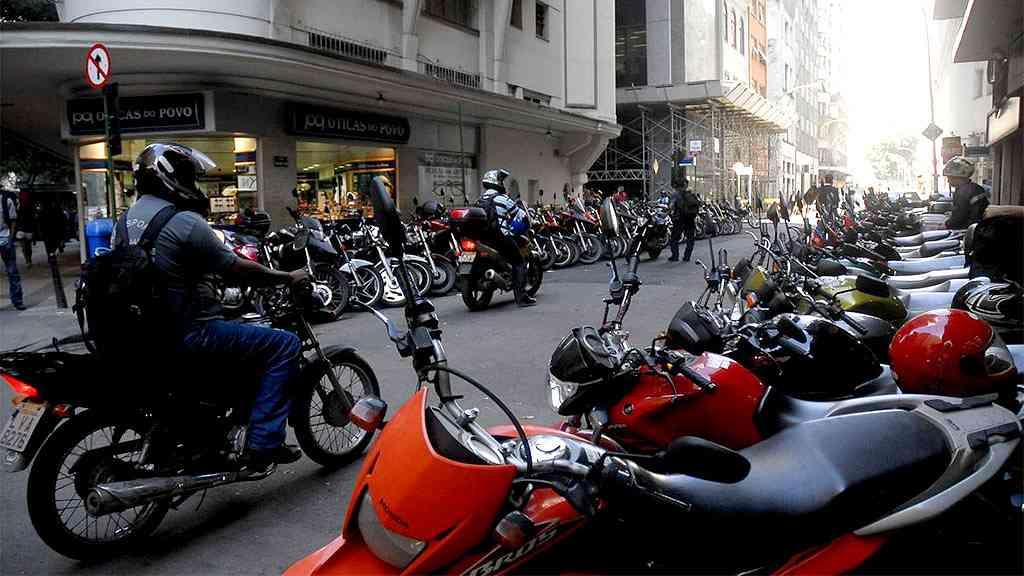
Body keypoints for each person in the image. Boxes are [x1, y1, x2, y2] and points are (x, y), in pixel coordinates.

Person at [124, 143, 309, 473]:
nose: (193, 185)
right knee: (285, 344)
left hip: (146, 333)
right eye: (188, 177)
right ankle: (263, 444)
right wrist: (286, 277)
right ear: (171, 178)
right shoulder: (184, 221)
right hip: (192, 332)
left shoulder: (125, 221)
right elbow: (236, 268)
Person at [477, 168, 535, 307]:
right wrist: (529, 215)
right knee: (519, 262)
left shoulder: (480, 200)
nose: (502, 183)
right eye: (501, 181)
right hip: (500, 238)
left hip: (483, 239)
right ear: (496, 183)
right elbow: (519, 214)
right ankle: (521, 297)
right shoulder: (502, 199)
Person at [942, 156, 988, 229]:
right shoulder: (976, 188)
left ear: (958, 177)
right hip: (979, 228)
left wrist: (946, 224)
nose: (948, 181)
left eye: (949, 178)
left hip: (967, 229)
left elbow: (959, 217)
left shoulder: (963, 192)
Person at [1, 176, 25, 310]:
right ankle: (18, 300)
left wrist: (11, 239)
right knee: (12, 271)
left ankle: (17, 300)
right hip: (6, 239)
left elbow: (13, 220)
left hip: (5, 239)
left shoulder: (6, 199)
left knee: (12, 271)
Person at [668, 178, 700, 262]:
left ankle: (675, 256)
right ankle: (687, 256)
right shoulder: (690, 194)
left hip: (679, 219)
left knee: (674, 238)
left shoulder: (675, 194)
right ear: (685, 185)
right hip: (690, 218)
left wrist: (670, 211)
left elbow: (671, 206)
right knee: (690, 238)